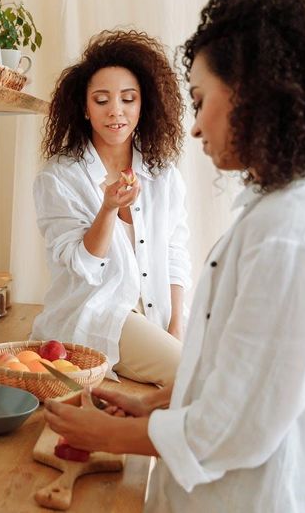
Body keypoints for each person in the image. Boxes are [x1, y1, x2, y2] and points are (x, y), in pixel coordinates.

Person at [43, 0, 305, 512]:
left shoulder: (289, 234)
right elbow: (251, 378)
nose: (194, 126)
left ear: (255, 97)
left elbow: (237, 427)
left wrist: (106, 434)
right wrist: (163, 404)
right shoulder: (282, 210)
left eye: (201, 99)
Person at [32, 30, 190, 387]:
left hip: (159, 313)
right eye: (101, 100)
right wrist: (107, 209)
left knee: (226, 369)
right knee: (193, 378)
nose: (115, 111)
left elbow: (176, 255)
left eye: (128, 99)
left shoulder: (164, 175)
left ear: (143, 105)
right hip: (100, 313)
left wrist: (177, 323)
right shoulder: (58, 178)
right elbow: (83, 266)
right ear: (84, 109)